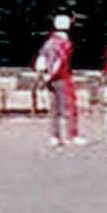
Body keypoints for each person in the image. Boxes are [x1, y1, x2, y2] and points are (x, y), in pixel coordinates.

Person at [36, 14, 82, 148]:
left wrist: (44, 75)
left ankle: (54, 136)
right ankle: (72, 135)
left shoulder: (49, 42)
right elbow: (60, 61)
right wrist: (52, 74)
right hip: (62, 77)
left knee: (54, 109)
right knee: (69, 107)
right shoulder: (64, 43)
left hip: (50, 78)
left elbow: (41, 59)